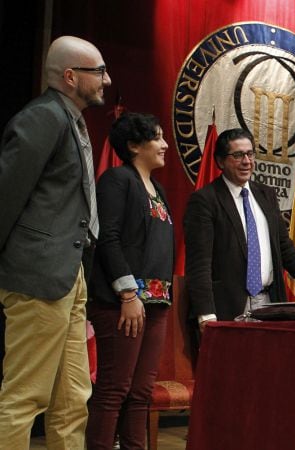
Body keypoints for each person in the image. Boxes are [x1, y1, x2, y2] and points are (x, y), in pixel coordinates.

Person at [0, 35, 111, 448]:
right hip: (39, 274)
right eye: (97, 71)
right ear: (70, 76)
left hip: (69, 274)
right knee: (25, 396)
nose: (106, 79)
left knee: (72, 399)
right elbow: (7, 192)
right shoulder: (43, 117)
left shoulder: (71, 118)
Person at [184, 128, 295, 330]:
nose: (247, 161)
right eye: (238, 155)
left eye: (250, 154)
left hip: (269, 302)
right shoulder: (205, 200)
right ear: (220, 161)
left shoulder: (266, 194)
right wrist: (205, 313)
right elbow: (199, 263)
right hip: (226, 307)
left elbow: (282, 245)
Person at [85, 113, 173, 449]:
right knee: (114, 389)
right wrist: (127, 293)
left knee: (140, 392)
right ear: (135, 145)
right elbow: (107, 237)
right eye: (157, 138)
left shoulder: (159, 188)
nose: (165, 145)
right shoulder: (117, 179)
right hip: (122, 303)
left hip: (157, 302)